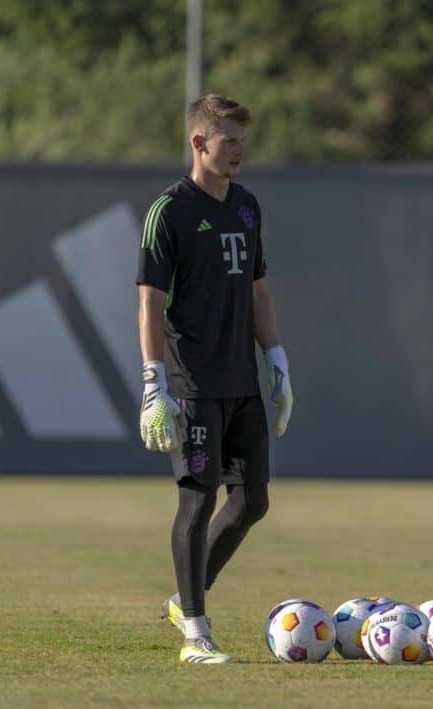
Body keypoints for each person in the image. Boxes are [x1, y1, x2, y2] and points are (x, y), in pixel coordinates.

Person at [136, 93, 293, 664]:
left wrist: (276, 359)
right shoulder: (169, 212)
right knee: (197, 503)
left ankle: (184, 598)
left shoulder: (247, 206)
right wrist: (154, 382)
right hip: (191, 382)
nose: (239, 151)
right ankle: (195, 633)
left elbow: (256, 289)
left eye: (242, 142)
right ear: (199, 143)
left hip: (241, 380)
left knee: (252, 502)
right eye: (229, 141)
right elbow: (149, 303)